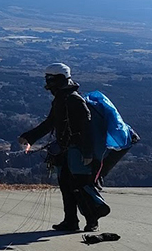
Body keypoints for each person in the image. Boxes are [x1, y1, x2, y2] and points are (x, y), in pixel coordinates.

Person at [18, 63, 108, 232]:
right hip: (66, 150)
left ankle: (92, 221)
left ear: (59, 79)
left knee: (80, 186)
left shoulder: (73, 99)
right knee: (66, 186)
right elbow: (50, 123)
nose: (48, 83)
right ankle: (70, 221)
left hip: (78, 151)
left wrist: (87, 152)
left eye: (50, 79)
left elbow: (86, 126)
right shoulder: (62, 98)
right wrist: (29, 137)